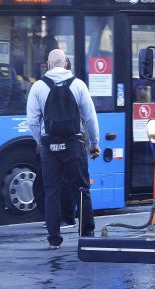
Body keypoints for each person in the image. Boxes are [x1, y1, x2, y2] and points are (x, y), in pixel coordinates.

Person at [27, 49, 100, 249]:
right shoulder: (78, 85)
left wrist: (42, 142)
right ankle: (87, 234)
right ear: (66, 64)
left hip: (50, 146)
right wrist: (94, 143)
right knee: (81, 189)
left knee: (51, 192)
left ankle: (54, 240)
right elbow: (90, 118)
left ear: (48, 65)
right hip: (74, 145)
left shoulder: (38, 87)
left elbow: (32, 121)